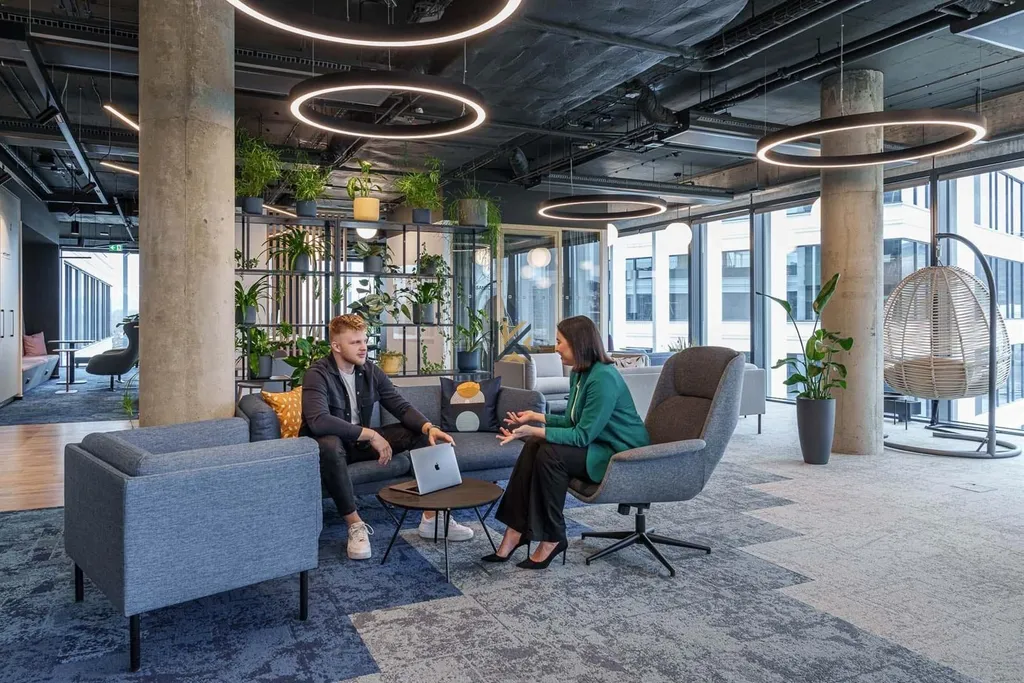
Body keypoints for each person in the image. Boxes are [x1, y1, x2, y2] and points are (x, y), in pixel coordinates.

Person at [300, 314, 474, 560]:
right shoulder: (317, 373)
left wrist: (428, 427)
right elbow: (319, 421)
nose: (363, 347)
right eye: (355, 342)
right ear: (336, 346)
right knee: (329, 445)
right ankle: (355, 525)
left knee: (420, 435)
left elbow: (399, 406)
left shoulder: (370, 371)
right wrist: (371, 434)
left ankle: (432, 517)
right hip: (329, 447)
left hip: (358, 443)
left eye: (364, 340)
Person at [487, 315, 650, 569]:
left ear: (578, 344)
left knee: (550, 453)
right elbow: (572, 421)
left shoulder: (603, 378)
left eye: (560, 341)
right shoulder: (580, 374)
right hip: (598, 445)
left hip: (621, 456)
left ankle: (552, 537)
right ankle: (515, 530)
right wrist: (536, 418)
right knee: (534, 445)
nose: (556, 348)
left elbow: (581, 435)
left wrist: (535, 430)